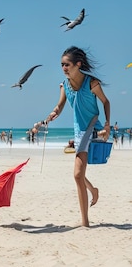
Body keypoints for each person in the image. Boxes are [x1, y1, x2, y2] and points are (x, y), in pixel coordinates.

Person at [43, 46, 110, 227]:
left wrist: (107, 124)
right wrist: (53, 114)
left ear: (78, 64)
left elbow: (106, 102)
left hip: (93, 128)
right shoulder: (64, 85)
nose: (63, 68)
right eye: (62, 65)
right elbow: (60, 105)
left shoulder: (91, 83)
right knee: (78, 175)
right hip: (79, 132)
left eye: (67, 64)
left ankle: (85, 222)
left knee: (77, 175)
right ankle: (92, 194)